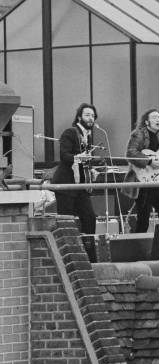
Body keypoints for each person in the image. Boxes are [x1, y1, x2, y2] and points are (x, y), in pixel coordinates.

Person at [52, 103, 99, 259]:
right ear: (79, 117)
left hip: (80, 186)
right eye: (87, 115)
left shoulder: (88, 136)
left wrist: (91, 169)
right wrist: (79, 158)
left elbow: (85, 160)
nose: (90, 118)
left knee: (90, 217)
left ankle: (90, 258)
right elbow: (64, 155)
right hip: (66, 185)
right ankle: (68, 256)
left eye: (92, 115)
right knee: (66, 221)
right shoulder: (70, 132)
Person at [124, 108, 159, 233]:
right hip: (143, 181)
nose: (158, 119)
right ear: (146, 122)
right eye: (154, 117)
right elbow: (131, 153)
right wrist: (149, 161)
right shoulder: (138, 134)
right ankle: (138, 249)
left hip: (157, 182)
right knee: (143, 220)